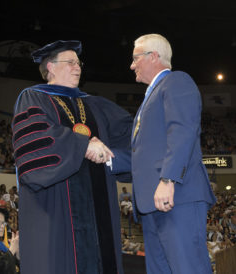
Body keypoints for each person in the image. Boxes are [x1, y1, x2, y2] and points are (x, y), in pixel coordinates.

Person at [12, 40, 132, 274]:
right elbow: (36, 141)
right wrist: (82, 145)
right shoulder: (33, 98)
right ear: (50, 67)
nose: (77, 67)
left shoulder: (96, 104)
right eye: (70, 62)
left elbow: (132, 135)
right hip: (55, 205)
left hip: (100, 206)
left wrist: (109, 155)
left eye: (79, 63)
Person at [129, 34, 216, 274]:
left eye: (135, 58)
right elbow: (141, 153)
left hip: (177, 194)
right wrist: (107, 158)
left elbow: (183, 131)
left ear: (153, 56)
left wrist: (168, 179)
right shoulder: (148, 100)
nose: (132, 65)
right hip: (153, 203)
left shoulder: (176, 81)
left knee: (188, 268)